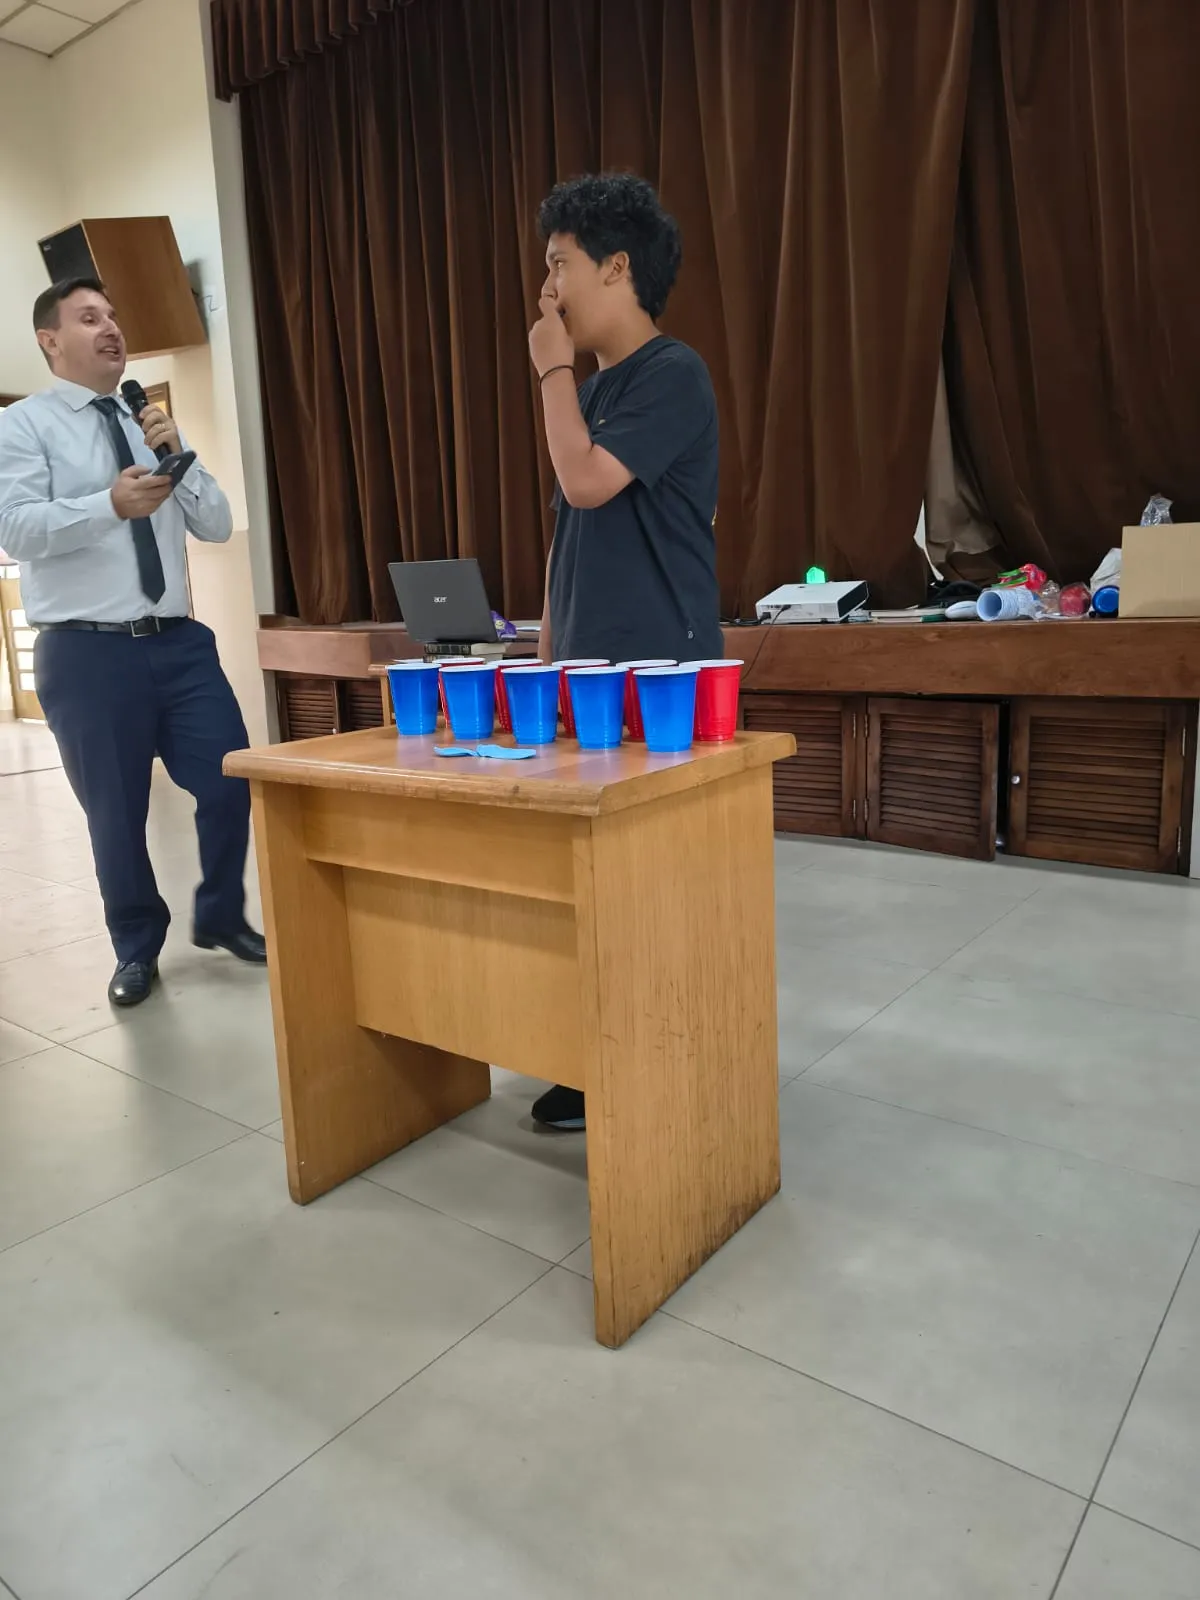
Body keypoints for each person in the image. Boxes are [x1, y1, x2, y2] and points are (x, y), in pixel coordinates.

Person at [0, 277, 265, 1007]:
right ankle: (137, 946)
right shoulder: (24, 425)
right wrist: (107, 504)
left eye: (113, 315)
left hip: (180, 644)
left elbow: (215, 524)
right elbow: (15, 529)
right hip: (87, 652)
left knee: (230, 779)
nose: (111, 327)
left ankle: (220, 914)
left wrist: (180, 455)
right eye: (89, 318)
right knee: (116, 814)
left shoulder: (148, 419)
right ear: (51, 340)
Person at [527, 172, 722, 1130]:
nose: (548, 290)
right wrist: (546, 654)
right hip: (588, 672)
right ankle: (597, 1058)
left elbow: (587, 483)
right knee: (592, 887)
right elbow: (570, 532)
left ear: (616, 267)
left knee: (659, 888)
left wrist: (551, 371)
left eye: (559, 264)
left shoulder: (672, 372)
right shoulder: (593, 388)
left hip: (661, 675)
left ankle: (675, 1061)